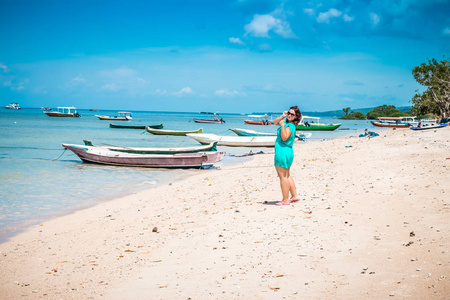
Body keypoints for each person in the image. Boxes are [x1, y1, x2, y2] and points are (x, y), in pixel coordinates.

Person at [273, 106, 302, 205]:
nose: (289, 115)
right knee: (287, 175)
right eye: (289, 113)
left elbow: (285, 137)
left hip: (283, 152)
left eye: (292, 114)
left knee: (283, 177)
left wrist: (282, 126)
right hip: (286, 151)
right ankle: (294, 196)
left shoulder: (290, 126)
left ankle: (285, 199)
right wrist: (282, 116)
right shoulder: (286, 122)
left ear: (296, 117)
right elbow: (274, 122)